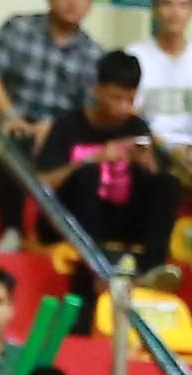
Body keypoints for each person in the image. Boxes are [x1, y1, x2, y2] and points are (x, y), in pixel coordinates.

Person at [37, 53, 178, 271]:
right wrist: (93, 159)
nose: (123, 107)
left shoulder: (136, 126)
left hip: (120, 218)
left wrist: (147, 163)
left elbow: (156, 181)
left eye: (130, 100)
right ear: (97, 90)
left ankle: (153, 269)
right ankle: (95, 266)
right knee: (88, 174)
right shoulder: (68, 126)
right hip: (74, 219)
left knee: (168, 184)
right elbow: (41, 183)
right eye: (115, 98)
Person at [0, 0, 105, 233]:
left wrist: (53, 129)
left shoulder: (94, 54)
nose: (74, 3)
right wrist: (12, 116)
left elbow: (87, 112)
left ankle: (67, 238)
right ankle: (12, 230)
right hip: (10, 122)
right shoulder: (18, 28)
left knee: (86, 163)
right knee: (17, 144)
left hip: (59, 132)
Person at [127, 0, 192, 189]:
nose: (175, 12)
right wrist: (167, 148)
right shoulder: (135, 55)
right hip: (149, 150)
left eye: (183, 5)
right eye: (167, 4)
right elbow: (129, 114)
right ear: (155, 8)